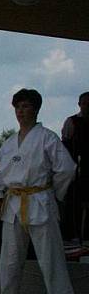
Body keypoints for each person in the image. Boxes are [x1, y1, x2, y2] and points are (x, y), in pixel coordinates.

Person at [0, 88, 78, 294]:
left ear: (36, 109)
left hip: (40, 201)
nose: (21, 111)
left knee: (51, 261)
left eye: (26, 106)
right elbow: (1, 179)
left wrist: (53, 193)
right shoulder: (7, 145)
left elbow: (66, 169)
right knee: (9, 261)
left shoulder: (47, 138)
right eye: (18, 107)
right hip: (14, 205)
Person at [61, 91, 89, 240]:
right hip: (76, 168)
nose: (87, 107)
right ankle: (72, 234)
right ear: (79, 105)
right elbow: (64, 145)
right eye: (84, 103)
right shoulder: (72, 122)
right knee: (74, 203)